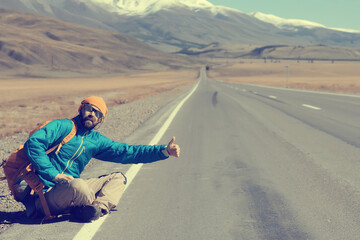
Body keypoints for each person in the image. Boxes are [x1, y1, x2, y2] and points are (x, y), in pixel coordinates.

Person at [22, 96, 180, 222]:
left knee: (118, 178)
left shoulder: (96, 141)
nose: (92, 114)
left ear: (101, 120)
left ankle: (96, 209)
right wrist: (52, 173)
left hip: (71, 188)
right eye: (89, 109)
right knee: (78, 185)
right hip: (44, 194)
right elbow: (33, 143)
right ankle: (83, 207)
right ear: (81, 109)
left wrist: (163, 151)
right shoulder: (63, 126)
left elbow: (128, 152)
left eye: (97, 113)